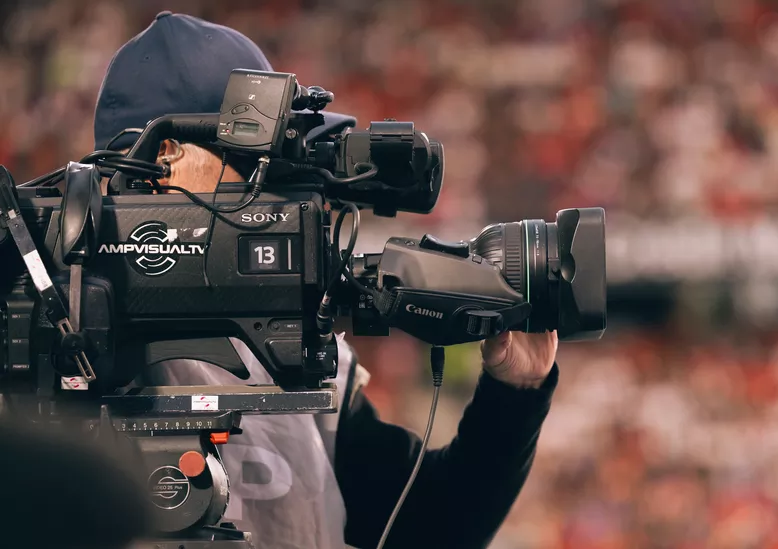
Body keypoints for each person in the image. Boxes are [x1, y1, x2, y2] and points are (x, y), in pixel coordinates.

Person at [93, 12, 560, 549]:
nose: (282, 188)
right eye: (257, 162)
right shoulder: (55, 337)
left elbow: (428, 528)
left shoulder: (296, 352)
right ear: (164, 159)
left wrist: (515, 393)